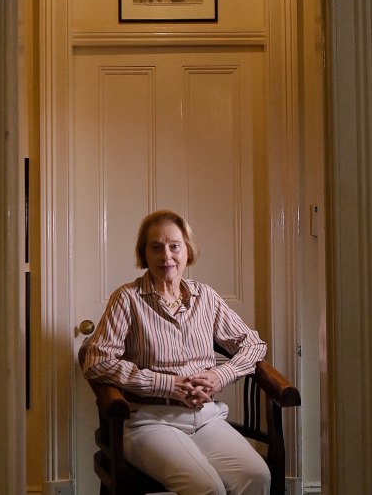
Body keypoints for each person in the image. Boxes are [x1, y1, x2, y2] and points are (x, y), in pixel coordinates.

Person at [83, 210, 270, 495]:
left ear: (187, 251)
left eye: (174, 246)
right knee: (207, 488)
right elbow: (97, 362)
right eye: (155, 247)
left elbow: (253, 344)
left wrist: (221, 375)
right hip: (148, 420)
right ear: (143, 253)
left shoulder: (205, 296)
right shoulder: (128, 298)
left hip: (206, 416)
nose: (165, 256)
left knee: (257, 476)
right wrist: (168, 384)